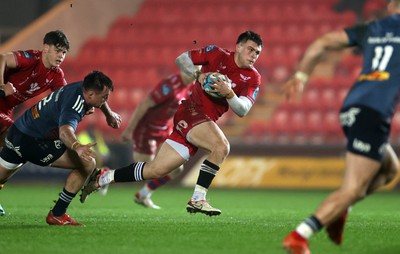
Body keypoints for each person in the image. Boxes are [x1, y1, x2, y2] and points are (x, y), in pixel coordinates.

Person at [81, 30, 263, 216]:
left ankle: (103, 177)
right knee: (221, 147)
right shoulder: (216, 54)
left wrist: (229, 93)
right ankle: (198, 199)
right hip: (191, 112)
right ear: (238, 47)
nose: (253, 55)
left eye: (257, 52)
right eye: (250, 49)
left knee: (155, 170)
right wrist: (198, 75)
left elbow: (242, 110)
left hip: (200, 121)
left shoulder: (253, 78)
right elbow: (182, 59)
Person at [282, 1, 400, 253]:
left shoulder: (373, 28)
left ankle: (340, 210)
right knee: (353, 188)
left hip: (352, 107)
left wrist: (301, 76)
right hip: (373, 113)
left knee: (390, 169)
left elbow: (323, 42)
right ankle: (300, 235)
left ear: (391, 7)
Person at [0, 70, 119, 226]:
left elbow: (99, 100)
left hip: (18, 131)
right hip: (34, 142)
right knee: (87, 163)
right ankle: (57, 214)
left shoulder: (80, 87)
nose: (105, 100)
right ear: (90, 95)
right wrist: (77, 147)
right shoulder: (74, 105)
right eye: (104, 97)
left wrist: (109, 114)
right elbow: (65, 132)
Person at [120, 71, 194, 209]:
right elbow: (145, 104)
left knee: (176, 168)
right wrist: (130, 129)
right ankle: (105, 176)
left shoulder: (191, 86)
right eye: (191, 71)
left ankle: (144, 194)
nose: (194, 74)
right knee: (146, 171)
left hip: (165, 129)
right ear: (184, 69)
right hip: (147, 129)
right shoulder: (169, 85)